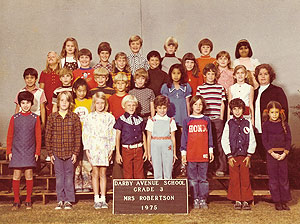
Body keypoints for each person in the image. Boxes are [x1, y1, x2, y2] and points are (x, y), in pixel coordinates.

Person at [45, 91, 81, 210]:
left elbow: (77, 137)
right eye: (62, 100)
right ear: (58, 102)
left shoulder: (74, 117)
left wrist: (75, 153)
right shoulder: (52, 117)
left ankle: (69, 200)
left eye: (66, 100)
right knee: (60, 177)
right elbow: (48, 136)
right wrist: (50, 153)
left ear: (70, 102)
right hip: (57, 152)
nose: (64, 103)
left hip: (70, 153)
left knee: (69, 176)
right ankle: (60, 199)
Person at [7, 91, 41, 210]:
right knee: (16, 175)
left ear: (32, 103)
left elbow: (38, 137)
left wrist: (37, 152)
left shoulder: (35, 118)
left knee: (28, 174)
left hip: (29, 150)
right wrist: (9, 151)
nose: (25, 105)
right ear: (20, 104)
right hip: (16, 150)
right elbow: (10, 135)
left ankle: (28, 200)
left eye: (28, 103)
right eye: (23, 103)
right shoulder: (14, 118)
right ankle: (16, 200)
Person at [82, 92, 116, 209]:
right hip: (93, 147)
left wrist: (112, 148)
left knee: (103, 173)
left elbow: (113, 134)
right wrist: (87, 148)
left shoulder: (109, 117)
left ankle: (103, 198)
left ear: (105, 104)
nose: (100, 105)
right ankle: (96, 198)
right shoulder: (89, 117)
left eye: (102, 103)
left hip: (105, 147)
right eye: (98, 103)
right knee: (95, 173)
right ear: (94, 104)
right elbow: (85, 133)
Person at [221, 98, 256, 210]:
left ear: (243, 110)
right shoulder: (229, 123)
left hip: (245, 157)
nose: (237, 111)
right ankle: (237, 199)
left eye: (239, 109)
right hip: (233, 157)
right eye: (234, 109)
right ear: (231, 110)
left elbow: (252, 139)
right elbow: (224, 139)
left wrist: (249, 155)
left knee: (245, 178)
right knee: (235, 178)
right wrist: (229, 155)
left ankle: (245, 200)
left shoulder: (247, 123)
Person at [180, 95, 214, 209]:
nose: (198, 107)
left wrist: (210, 150)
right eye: (195, 104)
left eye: (200, 104)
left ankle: (203, 199)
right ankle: (195, 198)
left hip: (203, 154)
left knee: (203, 179)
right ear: (191, 106)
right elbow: (184, 138)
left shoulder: (206, 120)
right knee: (193, 179)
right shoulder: (187, 120)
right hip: (191, 154)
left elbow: (210, 137)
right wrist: (183, 154)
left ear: (203, 106)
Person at [196, 63, 226, 176]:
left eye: (213, 74)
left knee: (218, 143)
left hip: (217, 118)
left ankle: (221, 167)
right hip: (205, 119)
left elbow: (222, 103)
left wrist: (221, 118)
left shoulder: (220, 87)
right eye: (208, 74)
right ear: (204, 75)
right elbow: (198, 104)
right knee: (206, 143)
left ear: (216, 75)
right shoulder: (201, 88)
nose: (210, 76)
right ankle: (207, 168)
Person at [254, 64, 288, 161]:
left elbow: (284, 110)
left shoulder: (277, 91)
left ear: (271, 76)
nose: (263, 76)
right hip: (257, 128)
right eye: (260, 74)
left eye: (266, 74)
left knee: (273, 156)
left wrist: (282, 128)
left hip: (273, 130)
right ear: (256, 76)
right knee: (261, 154)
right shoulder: (254, 92)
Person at [262, 101, 291, 210]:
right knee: (273, 178)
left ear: (280, 112)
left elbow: (288, 139)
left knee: (283, 178)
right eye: (272, 112)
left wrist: (285, 153)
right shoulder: (266, 125)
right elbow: (264, 140)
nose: (274, 114)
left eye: (276, 112)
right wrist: (272, 153)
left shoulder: (285, 125)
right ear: (268, 113)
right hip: (272, 155)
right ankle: (277, 201)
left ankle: (284, 200)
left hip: (283, 155)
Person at [113, 95, 148, 179]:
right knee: (128, 172)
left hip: (139, 149)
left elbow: (143, 135)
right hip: (127, 150)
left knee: (139, 172)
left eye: (133, 105)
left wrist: (146, 150)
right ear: (124, 106)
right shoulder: (121, 120)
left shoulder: (140, 120)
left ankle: (139, 191)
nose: (131, 108)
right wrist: (118, 153)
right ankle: (129, 192)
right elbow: (117, 137)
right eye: (129, 105)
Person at [146, 95, 177, 179]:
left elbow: (173, 137)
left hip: (167, 145)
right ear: (156, 108)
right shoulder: (151, 120)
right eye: (159, 108)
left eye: (164, 108)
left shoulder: (171, 120)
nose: (162, 110)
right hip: (155, 145)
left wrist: (174, 153)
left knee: (168, 168)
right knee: (157, 169)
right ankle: (158, 190)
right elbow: (148, 137)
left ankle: (168, 189)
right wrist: (148, 153)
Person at [72, 78, 93, 193]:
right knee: (76, 158)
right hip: (75, 134)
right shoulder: (72, 102)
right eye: (79, 91)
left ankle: (87, 181)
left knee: (86, 158)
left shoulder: (90, 102)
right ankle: (77, 182)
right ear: (75, 90)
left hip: (87, 134)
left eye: (84, 91)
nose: (81, 93)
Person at [108, 73, 129, 179]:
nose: (120, 86)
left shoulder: (129, 97)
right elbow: (110, 114)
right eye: (118, 83)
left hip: (128, 130)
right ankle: (117, 179)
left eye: (123, 83)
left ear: (126, 84)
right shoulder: (111, 99)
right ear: (115, 84)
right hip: (116, 129)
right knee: (117, 152)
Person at [160, 64, 192, 128]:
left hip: (182, 112)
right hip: (171, 112)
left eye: (178, 73)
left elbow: (187, 102)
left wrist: (189, 115)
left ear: (182, 74)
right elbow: (164, 103)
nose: (176, 76)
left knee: (183, 130)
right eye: (174, 73)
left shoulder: (186, 86)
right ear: (170, 74)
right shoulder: (166, 86)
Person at [39, 51, 62, 116]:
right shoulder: (44, 73)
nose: (50, 58)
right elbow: (41, 90)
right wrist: (43, 104)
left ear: (58, 60)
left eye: (53, 57)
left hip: (59, 102)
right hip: (47, 103)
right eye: (48, 57)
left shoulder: (62, 72)